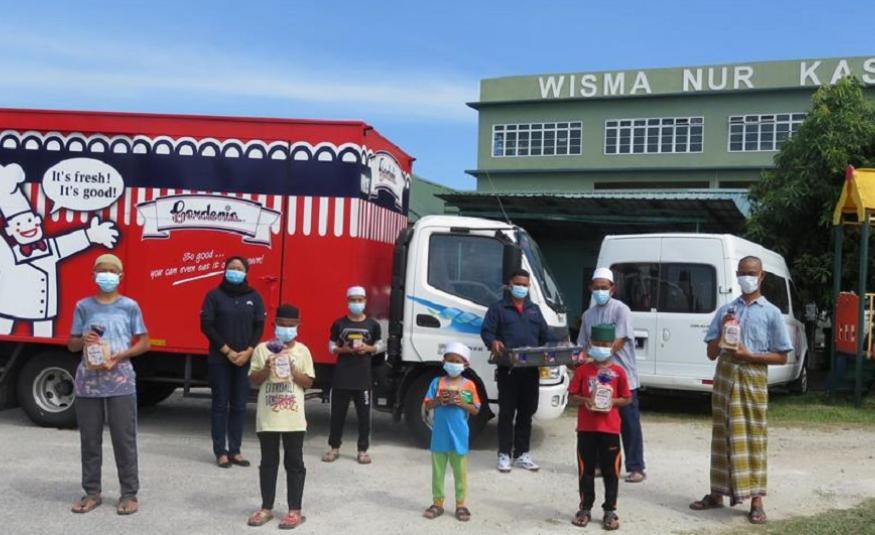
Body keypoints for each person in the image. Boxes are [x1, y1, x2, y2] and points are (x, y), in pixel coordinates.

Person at [689, 256, 793, 525]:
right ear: (737, 275)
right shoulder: (726, 311)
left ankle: (756, 499)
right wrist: (722, 336)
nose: (747, 277)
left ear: (761, 277)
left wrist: (749, 355)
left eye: (752, 272)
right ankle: (717, 493)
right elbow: (711, 353)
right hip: (725, 376)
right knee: (722, 436)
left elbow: (782, 356)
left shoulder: (771, 313)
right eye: (743, 272)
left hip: (752, 378)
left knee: (753, 437)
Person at [67, 253, 150, 515]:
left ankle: (129, 493)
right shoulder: (83, 306)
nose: (106, 275)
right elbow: (71, 344)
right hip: (88, 382)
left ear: (120, 276)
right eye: (101, 271)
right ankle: (92, 492)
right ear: (93, 275)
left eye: (111, 271)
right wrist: (84, 339)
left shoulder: (130, 306)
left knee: (124, 438)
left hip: (121, 380)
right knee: (89, 439)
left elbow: (144, 343)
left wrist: (120, 355)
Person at [246, 304, 314, 529]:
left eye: (290, 325)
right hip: (268, 417)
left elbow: (308, 382)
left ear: (298, 325)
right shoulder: (263, 349)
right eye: (282, 325)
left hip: (293, 418)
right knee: (268, 462)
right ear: (274, 325)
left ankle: (295, 510)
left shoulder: (302, 351)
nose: (286, 329)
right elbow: (253, 379)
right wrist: (267, 368)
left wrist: (293, 371)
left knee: (294, 463)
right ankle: (266, 508)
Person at [576, 267, 646, 483]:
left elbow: (620, 341)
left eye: (604, 288)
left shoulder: (621, 310)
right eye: (596, 288)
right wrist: (579, 359)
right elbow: (583, 345)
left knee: (629, 422)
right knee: (599, 421)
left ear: (612, 289)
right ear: (590, 289)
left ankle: (636, 467)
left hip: (621, 376)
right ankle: (599, 464)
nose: (600, 291)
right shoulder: (588, 315)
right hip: (597, 379)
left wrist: (599, 355)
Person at [481, 268, 549, 473]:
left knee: (526, 412)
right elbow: (487, 331)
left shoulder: (534, 310)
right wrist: (493, 341)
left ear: (529, 287)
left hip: (530, 370)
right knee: (507, 412)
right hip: (508, 370)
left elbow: (545, 335)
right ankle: (503, 454)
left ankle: (522, 454)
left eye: (524, 285)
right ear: (510, 285)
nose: (521, 288)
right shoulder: (498, 308)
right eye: (517, 284)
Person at [200, 256, 266, 468]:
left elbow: (259, 326)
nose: (235, 271)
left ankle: (235, 450)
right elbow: (207, 325)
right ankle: (220, 451)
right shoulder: (214, 295)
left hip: (244, 359)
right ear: (224, 270)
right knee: (220, 404)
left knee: (239, 405)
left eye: (239, 268)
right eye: (231, 268)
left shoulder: (254, 297)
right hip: (220, 358)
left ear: (246, 272)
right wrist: (227, 351)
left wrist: (248, 351)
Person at [568, 323, 631, 530]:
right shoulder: (583, 370)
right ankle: (585, 508)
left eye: (606, 344)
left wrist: (612, 402)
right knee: (585, 470)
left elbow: (626, 398)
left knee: (611, 471)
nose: (601, 347)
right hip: (586, 428)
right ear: (591, 344)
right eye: (597, 344)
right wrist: (586, 400)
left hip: (610, 429)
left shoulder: (619, 372)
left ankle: (610, 510)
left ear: (612, 345)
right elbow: (572, 395)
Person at [322, 286, 383, 465]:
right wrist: (343, 349)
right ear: (347, 302)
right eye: (353, 300)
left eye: (360, 300)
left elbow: (380, 346)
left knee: (364, 417)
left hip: (363, 378)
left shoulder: (373, 325)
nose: (357, 303)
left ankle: (363, 450)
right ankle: (334, 448)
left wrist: (368, 348)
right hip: (342, 376)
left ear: (365, 301)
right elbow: (331, 346)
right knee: (337, 415)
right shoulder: (339, 324)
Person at [422, 342, 480, 522]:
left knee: (460, 472)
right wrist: (440, 400)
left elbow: (475, 409)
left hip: (459, 436)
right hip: (439, 436)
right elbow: (427, 404)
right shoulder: (437, 383)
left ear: (465, 365)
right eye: (450, 360)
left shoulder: (468, 385)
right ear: (444, 361)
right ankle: (437, 503)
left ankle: (460, 504)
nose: (453, 364)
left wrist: (460, 402)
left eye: (457, 361)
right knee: (437, 471)